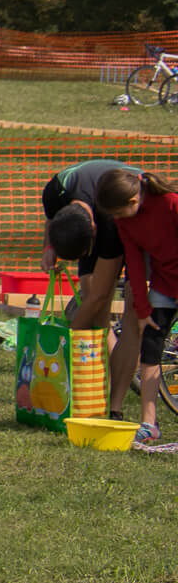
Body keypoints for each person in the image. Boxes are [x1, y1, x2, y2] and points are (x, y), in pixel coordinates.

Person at [44, 158, 143, 421]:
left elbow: (100, 296)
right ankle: (100, 384)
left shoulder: (110, 222)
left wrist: (67, 339)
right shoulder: (54, 193)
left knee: (132, 313)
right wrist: (49, 248)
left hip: (137, 221)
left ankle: (115, 405)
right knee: (91, 302)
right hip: (94, 209)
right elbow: (52, 220)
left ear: (93, 231)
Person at [99, 168, 178, 444]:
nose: (117, 219)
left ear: (133, 200)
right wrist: (142, 311)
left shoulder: (170, 203)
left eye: (119, 212)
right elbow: (133, 263)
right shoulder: (125, 222)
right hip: (163, 286)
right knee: (151, 350)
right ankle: (149, 424)